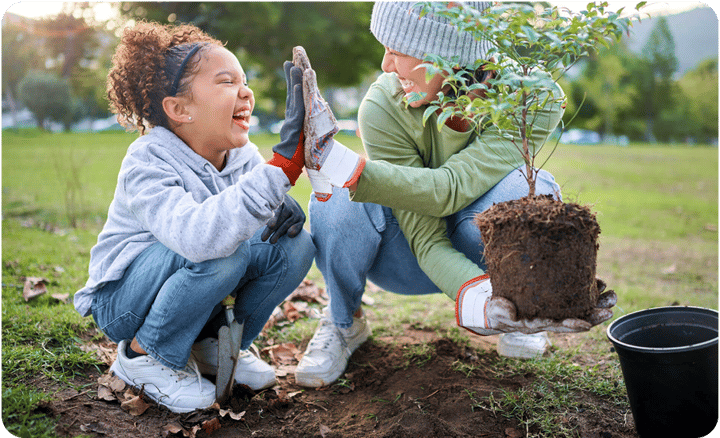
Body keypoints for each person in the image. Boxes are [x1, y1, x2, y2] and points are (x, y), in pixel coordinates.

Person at [293, 1, 616, 387]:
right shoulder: (383, 107)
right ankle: (343, 322)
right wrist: (476, 299)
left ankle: (518, 305)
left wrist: (346, 165)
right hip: (404, 256)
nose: (385, 66)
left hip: (483, 250)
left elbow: (450, 189)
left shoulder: (534, 98)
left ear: (444, 54)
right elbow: (426, 238)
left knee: (526, 189)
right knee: (337, 201)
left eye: (397, 50)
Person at [73, 22, 315, 413]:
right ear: (179, 109)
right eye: (225, 81)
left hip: (191, 278)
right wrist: (280, 171)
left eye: (245, 81)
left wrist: (273, 202)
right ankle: (144, 356)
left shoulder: (243, 156)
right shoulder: (147, 160)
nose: (246, 92)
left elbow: (244, 212)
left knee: (293, 245)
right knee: (220, 251)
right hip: (123, 301)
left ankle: (214, 345)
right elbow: (198, 237)